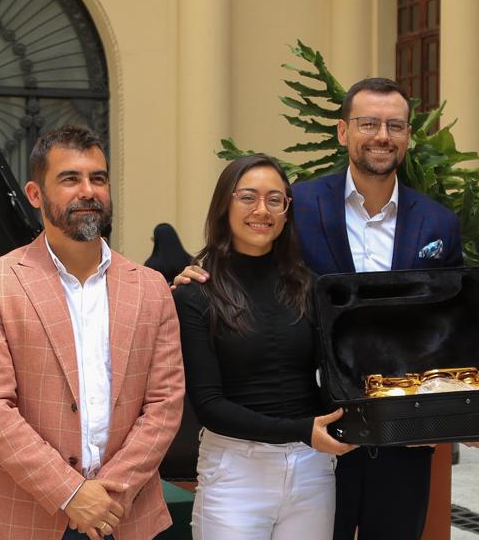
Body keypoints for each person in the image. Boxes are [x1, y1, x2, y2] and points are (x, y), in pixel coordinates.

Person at [177, 77, 463, 540]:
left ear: (409, 135)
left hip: (403, 437)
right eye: (368, 123)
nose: (382, 135)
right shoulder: (299, 204)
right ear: (343, 132)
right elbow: (247, 260)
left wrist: (441, 411)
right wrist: (194, 275)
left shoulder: (439, 223)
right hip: (318, 434)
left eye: (394, 125)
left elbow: (450, 325)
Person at [0, 125, 185, 540]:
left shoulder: (150, 286)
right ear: (35, 194)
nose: (88, 191)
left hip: (126, 515)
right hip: (22, 516)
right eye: (70, 179)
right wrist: (71, 492)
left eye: (98, 178)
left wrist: (109, 493)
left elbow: (165, 404)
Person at [172, 154, 355, 539]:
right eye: (248, 197)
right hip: (235, 473)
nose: (262, 210)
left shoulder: (310, 287)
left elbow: (334, 377)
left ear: (287, 211)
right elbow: (209, 406)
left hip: (311, 470)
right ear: (224, 204)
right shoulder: (196, 293)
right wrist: (301, 429)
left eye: (275, 200)